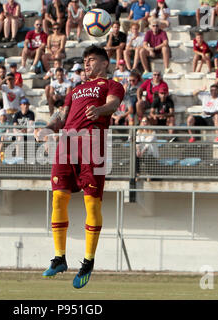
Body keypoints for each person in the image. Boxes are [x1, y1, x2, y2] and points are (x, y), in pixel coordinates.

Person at [35, 45, 125, 289]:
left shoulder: (112, 84)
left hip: (93, 143)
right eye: (85, 60)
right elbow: (62, 116)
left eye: (92, 60)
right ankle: (59, 257)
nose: (87, 64)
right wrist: (48, 127)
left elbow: (113, 104)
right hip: (66, 142)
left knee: (91, 202)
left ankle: (87, 261)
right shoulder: (75, 90)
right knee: (57, 199)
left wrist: (100, 110)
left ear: (105, 63)